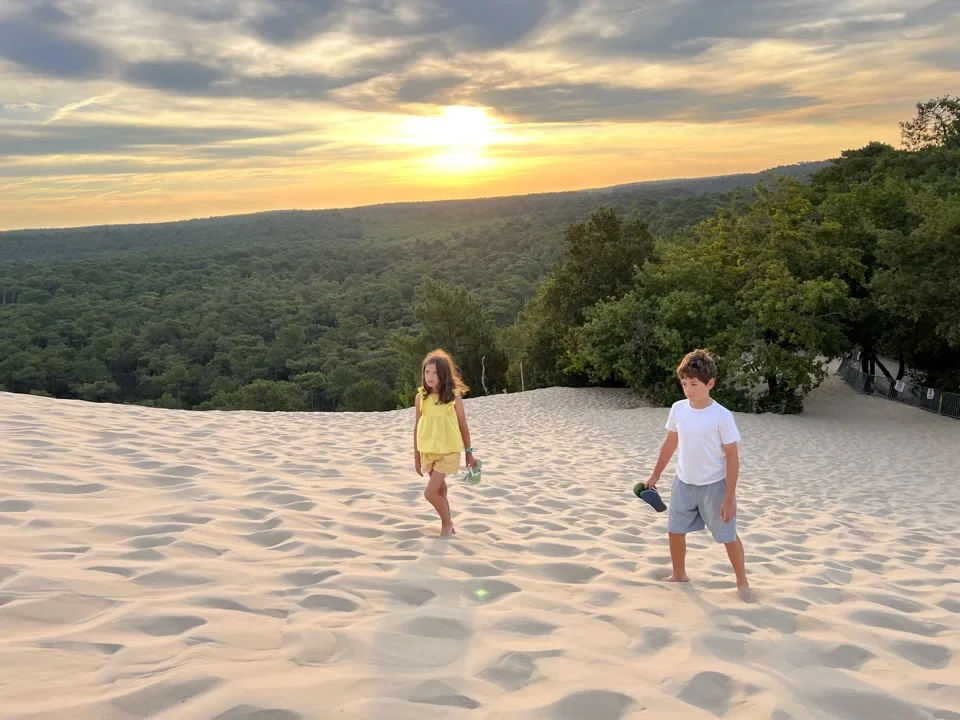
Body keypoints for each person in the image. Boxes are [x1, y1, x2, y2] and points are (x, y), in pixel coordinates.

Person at [644, 349, 754, 602]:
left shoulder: (722, 416)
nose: (688, 389)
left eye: (694, 384)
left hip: (714, 486)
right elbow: (670, 443)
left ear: (710, 384)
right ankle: (679, 574)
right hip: (683, 482)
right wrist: (655, 475)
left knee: (727, 535)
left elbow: (732, 457)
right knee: (675, 530)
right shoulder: (678, 409)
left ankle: (742, 581)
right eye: (684, 384)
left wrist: (729, 496)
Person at [413, 349, 477, 537]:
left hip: (449, 451)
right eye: (427, 372)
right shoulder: (420, 397)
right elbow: (417, 427)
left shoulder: (453, 398)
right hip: (428, 450)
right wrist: (416, 456)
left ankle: (447, 523)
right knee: (440, 489)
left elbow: (463, 425)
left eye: (435, 373)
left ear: (443, 375)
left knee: (430, 493)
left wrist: (469, 453)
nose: (430, 376)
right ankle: (450, 526)